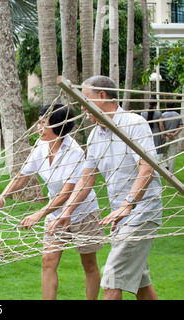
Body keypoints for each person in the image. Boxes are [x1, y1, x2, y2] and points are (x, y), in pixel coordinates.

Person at [52, 75, 162, 300]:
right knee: (142, 285)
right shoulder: (95, 135)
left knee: (111, 280)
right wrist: (67, 212)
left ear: (102, 97)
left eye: (85, 100)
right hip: (120, 218)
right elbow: (87, 178)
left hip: (141, 214)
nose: (83, 108)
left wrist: (127, 205)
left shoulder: (134, 123)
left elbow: (147, 169)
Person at [0, 103, 104, 300]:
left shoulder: (74, 152)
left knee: (89, 264)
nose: (38, 127)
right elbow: (22, 176)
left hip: (83, 212)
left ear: (59, 128)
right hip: (55, 213)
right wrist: (2, 196)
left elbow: (67, 193)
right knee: (47, 260)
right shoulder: (40, 146)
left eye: (44, 123)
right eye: (39, 122)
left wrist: (40, 214)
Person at [161, 102, 183, 173]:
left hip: (165, 136)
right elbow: (181, 126)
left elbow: (161, 126)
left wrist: (167, 133)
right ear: (174, 106)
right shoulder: (177, 115)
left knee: (163, 153)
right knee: (172, 155)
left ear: (166, 106)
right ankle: (171, 172)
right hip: (174, 137)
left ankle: (165, 166)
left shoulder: (163, 115)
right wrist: (174, 134)